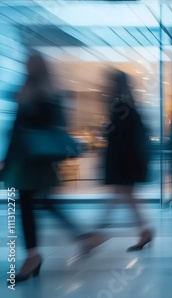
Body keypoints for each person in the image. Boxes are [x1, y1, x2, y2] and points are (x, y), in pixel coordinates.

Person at [0, 53, 103, 283]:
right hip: (31, 159)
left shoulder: (38, 92)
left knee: (30, 204)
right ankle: (82, 239)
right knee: (41, 202)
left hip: (31, 160)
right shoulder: (40, 90)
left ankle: (34, 256)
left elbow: (31, 128)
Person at [102, 70, 152, 252]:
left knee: (121, 195)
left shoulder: (120, 106)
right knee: (125, 196)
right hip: (129, 162)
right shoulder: (130, 105)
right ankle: (144, 231)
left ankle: (96, 232)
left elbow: (118, 136)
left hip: (123, 162)